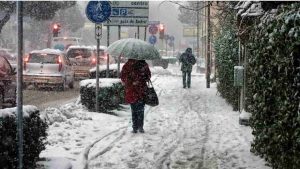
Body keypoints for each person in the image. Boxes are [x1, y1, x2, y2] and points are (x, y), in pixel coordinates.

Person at [120, 59, 151, 133]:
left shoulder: (128, 64)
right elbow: (148, 76)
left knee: (134, 110)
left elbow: (123, 77)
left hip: (132, 91)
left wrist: (131, 81)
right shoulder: (143, 64)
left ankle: (135, 127)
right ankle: (140, 127)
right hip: (140, 90)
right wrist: (141, 79)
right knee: (140, 110)